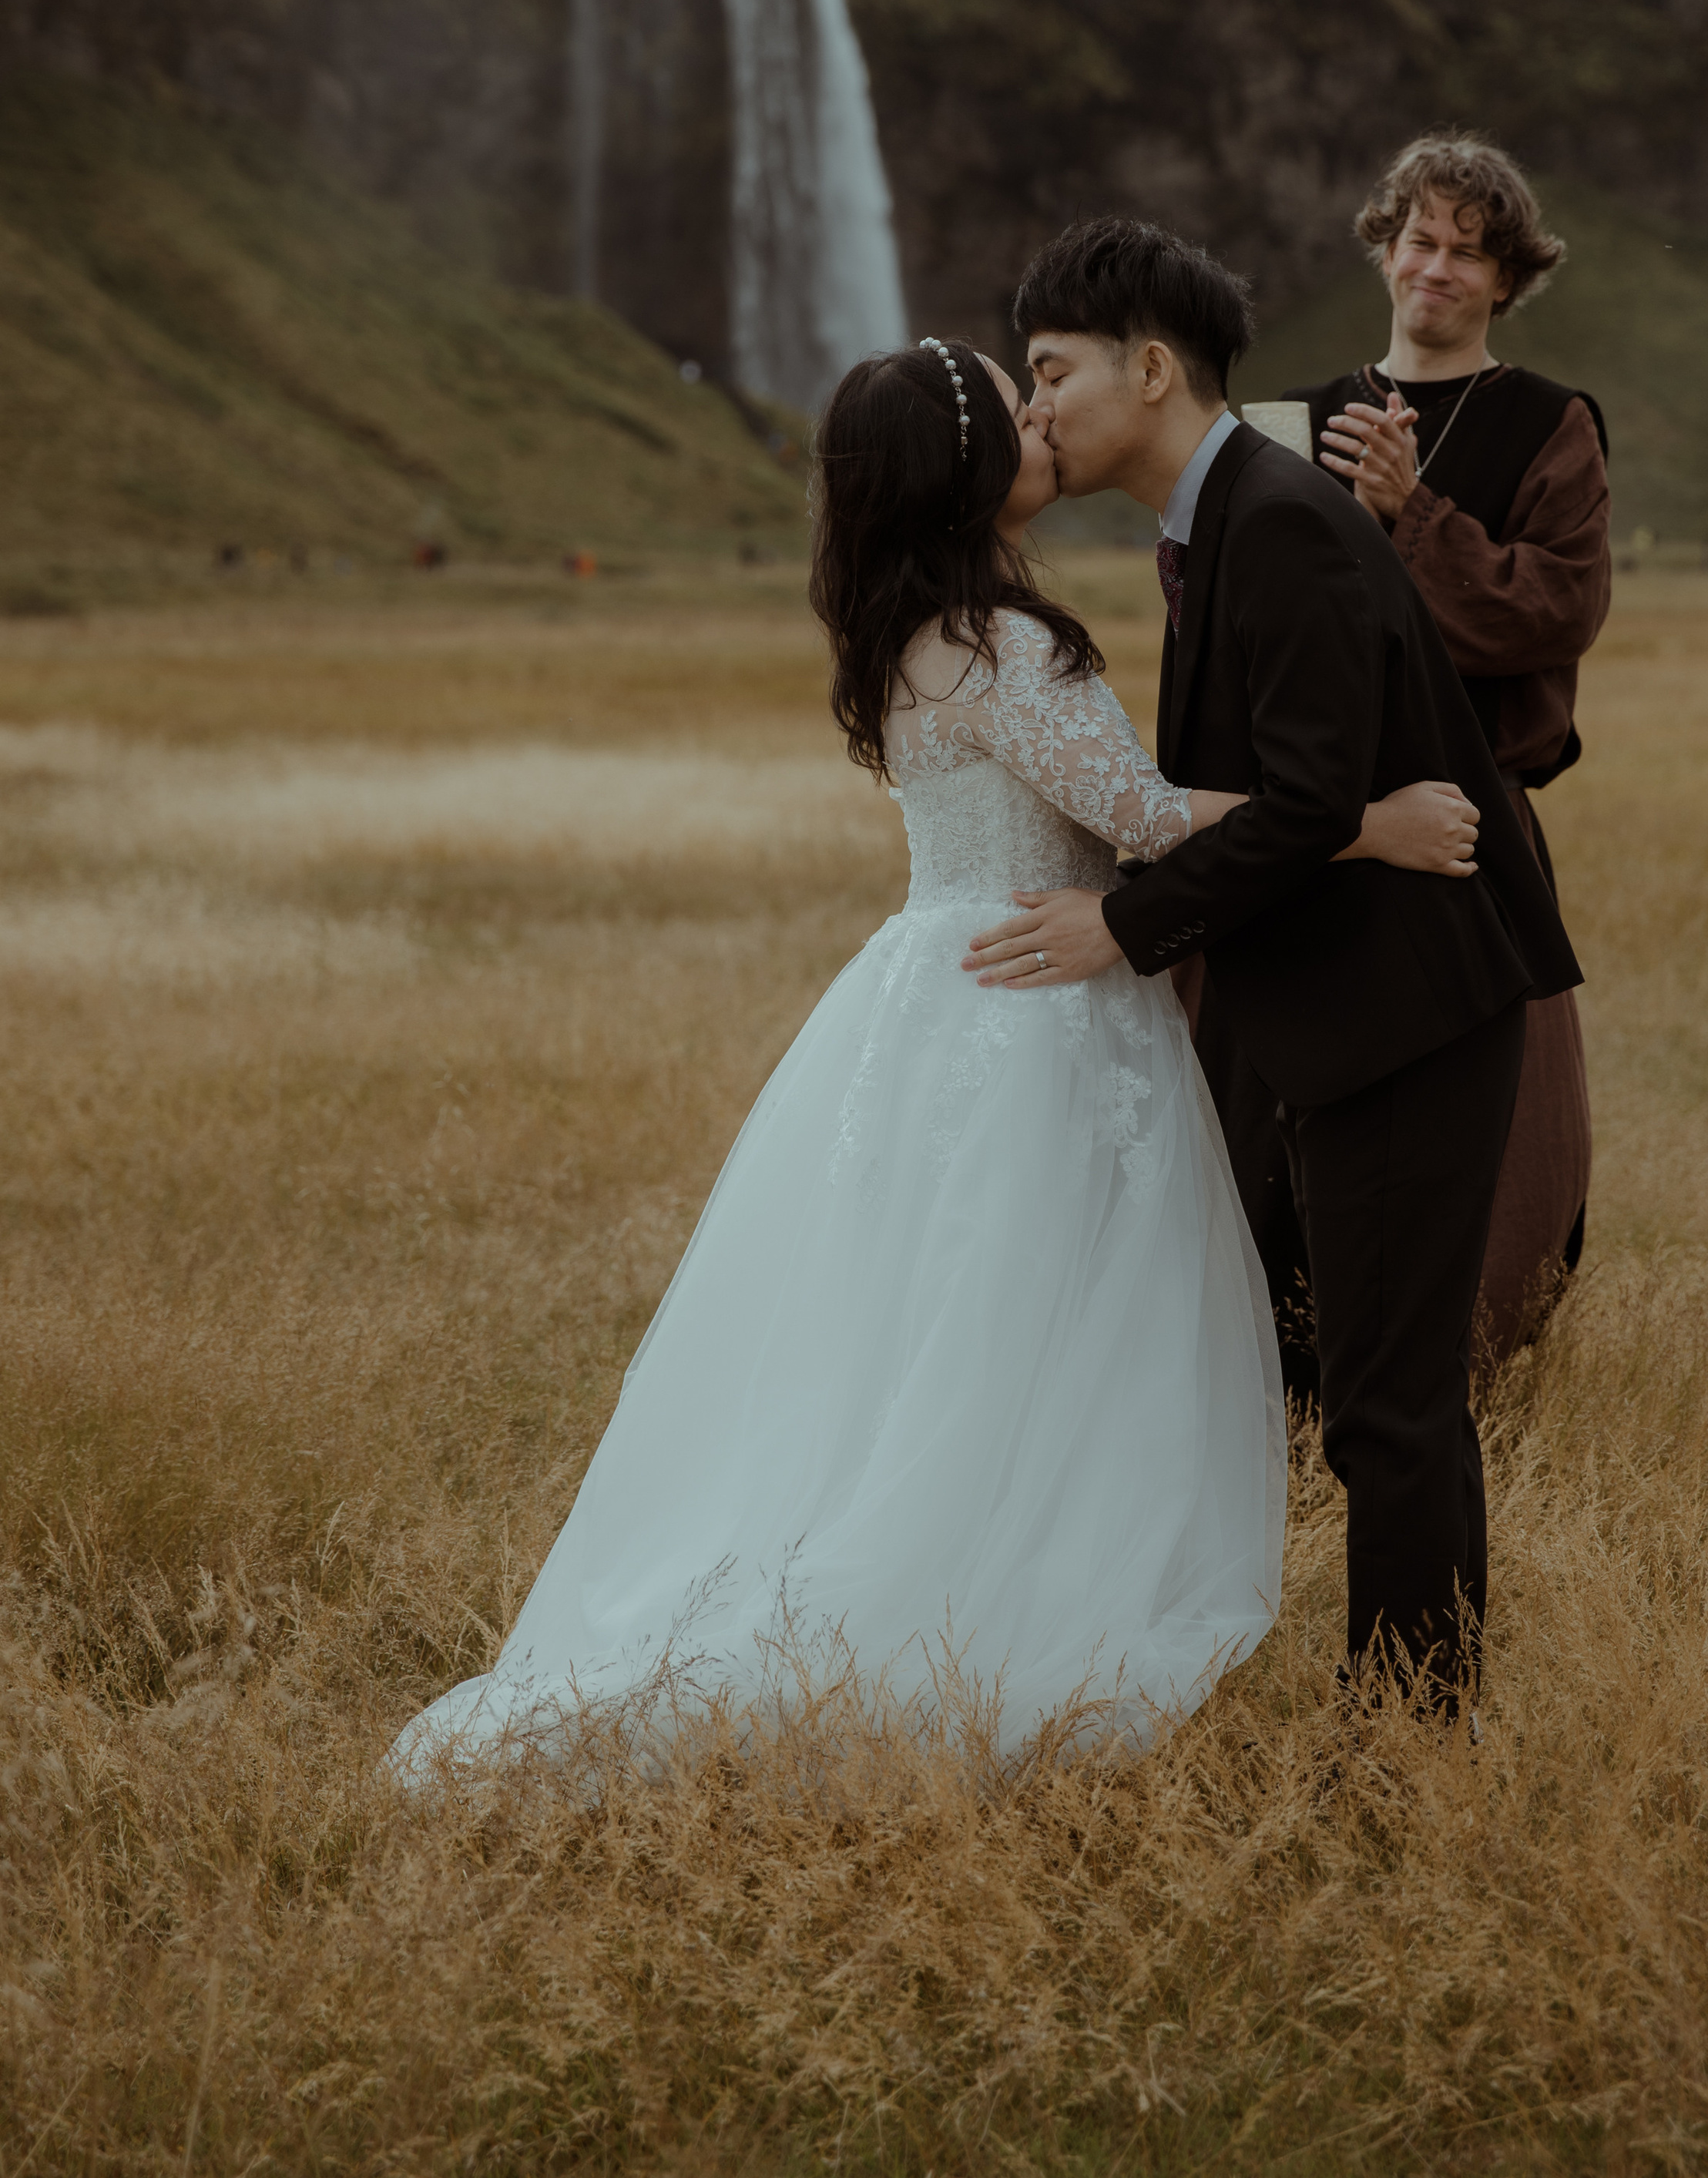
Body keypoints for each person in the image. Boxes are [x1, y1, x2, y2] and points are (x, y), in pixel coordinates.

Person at [390, 344, 1476, 1780]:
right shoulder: (1008, 644)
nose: (1042, 422)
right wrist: (1368, 824)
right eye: (1012, 407)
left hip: (931, 993)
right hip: (1035, 1006)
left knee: (931, 1323)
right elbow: (1143, 821)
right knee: (1044, 1326)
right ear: (968, 469)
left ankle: (953, 1582)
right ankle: (983, 1618)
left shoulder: (913, 636)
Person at [969, 221, 1582, 1707]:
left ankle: (1413, 1732)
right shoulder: (1228, 513)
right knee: (1348, 1387)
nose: (1035, 407)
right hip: (1328, 1004)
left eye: (1053, 373)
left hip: (1411, 1013)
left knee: (1391, 1403)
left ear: (1155, 367)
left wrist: (1118, 927)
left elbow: (1308, 800)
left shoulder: (1285, 517)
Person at [1289, 133, 1611, 1372]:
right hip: (1317, 823)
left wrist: (1410, 517)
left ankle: (1468, 1368)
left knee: (1501, 1131)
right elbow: (1247, 625)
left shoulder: (1550, 424)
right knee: (1287, 1103)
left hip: (1478, 826)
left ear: (1507, 279)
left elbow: (1555, 608)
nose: (1439, 268)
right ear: (1383, 249)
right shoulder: (1298, 420)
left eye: (1470, 253)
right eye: (1420, 240)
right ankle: (1289, 1373)